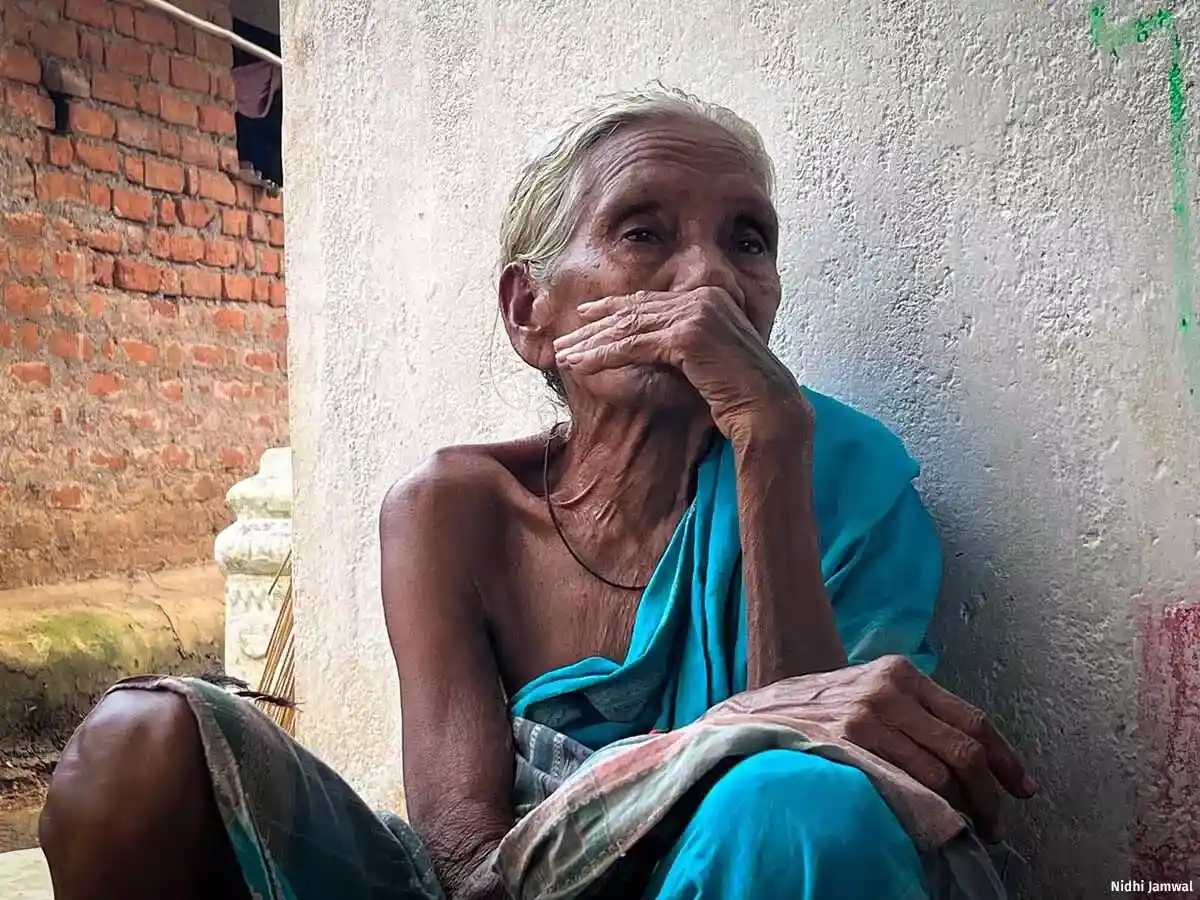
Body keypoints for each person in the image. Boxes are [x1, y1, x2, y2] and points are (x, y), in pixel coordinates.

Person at [38, 85, 1035, 900]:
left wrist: (768, 444)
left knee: (793, 802)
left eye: (748, 242)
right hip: (515, 886)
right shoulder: (455, 513)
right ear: (531, 313)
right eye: (644, 234)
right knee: (138, 747)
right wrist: (706, 743)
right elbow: (471, 867)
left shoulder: (836, 472)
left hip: (740, 868)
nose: (711, 280)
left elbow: (826, 802)